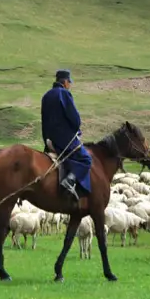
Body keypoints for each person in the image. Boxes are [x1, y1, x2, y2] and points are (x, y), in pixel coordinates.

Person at [40, 69, 93, 204]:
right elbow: (75, 119)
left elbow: (44, 119)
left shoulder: (46, 96)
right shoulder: (64, 94)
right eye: (69, 82)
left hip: (49, 140)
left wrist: (46, 141)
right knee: (86, 159)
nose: (70, 85)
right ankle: (69, 181)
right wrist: (76, 129)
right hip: (64, 140)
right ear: (64, 82)